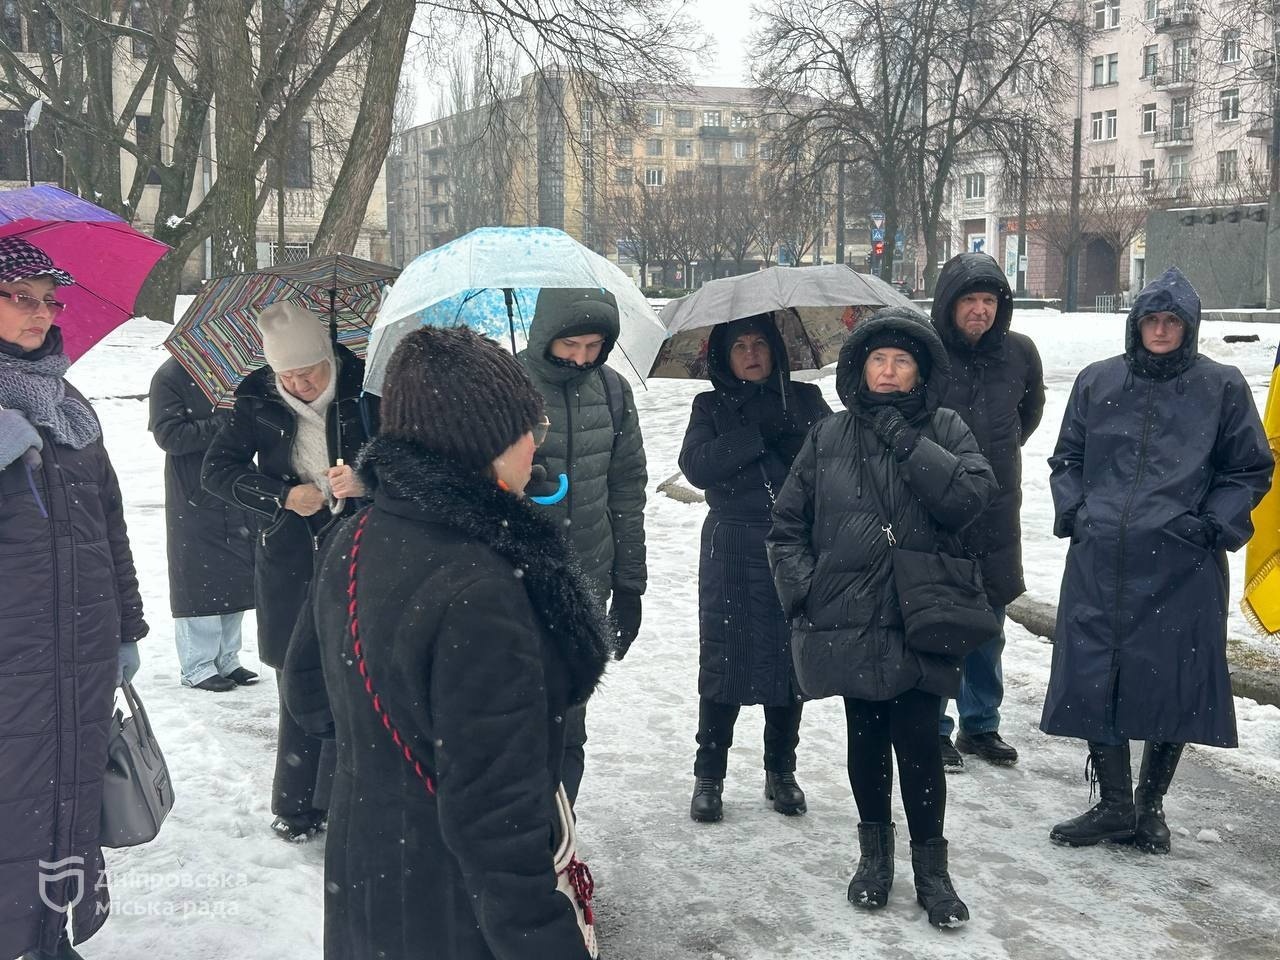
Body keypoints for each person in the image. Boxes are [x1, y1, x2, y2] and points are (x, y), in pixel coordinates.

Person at [285, 326, 610, 960]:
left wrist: (386, 759)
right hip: (451, 907)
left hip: (366, 870)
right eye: (529, 428)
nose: (537, 443)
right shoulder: (484, 586)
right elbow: (496, 818)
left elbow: (310, 699)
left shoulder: (354, 536)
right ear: (483, 442)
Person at [767, 308, 996, 928]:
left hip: (922, 611)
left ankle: (932, 873)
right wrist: (806, 592)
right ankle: (874, 860)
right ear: (860, 368)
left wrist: (907, 441)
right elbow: (786, 526)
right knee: (865, 738)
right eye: (878, 360)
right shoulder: (828, 435)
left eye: (902, 361)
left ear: (920, 371)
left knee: (920, 741)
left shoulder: (946, 427)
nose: (889, 371)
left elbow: (970, 499)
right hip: (849, 612)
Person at [1043, 266, 1271, 854]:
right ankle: (1115, 803)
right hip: (1102, 559)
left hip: (1182, 562)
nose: (1162, 329)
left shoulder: (1221, 386)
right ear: (1136, 323)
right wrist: (1078, 513)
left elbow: (1249, 468)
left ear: (1189, 326)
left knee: (1174, 678)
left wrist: (1210, 525)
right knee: (1096, 672)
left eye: (1173, 320)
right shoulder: (1098, 381)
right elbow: (1067, 458)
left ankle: (1150, 807)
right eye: (1152, 319)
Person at [0, 238, 148, 960]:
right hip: (13, 651)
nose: (41, 313)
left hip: (81, 650)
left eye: (49, 301)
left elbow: (109, 522)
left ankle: (49, 935)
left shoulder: (70, 405)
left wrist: (126, 627)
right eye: (21, 298)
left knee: (67, 795)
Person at [203, 301, 373, 842]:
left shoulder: (367, 389)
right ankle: (298, 805)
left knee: (357, 676)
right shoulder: (257, 395)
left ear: (328, 358)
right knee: (297, 677)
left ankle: (351, 800)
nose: (298, 385)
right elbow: (216, 470)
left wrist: (367, 481)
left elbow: (409, 456)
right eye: (288, 376)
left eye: (308, 373)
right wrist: (282, 496)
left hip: (362, 550)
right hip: (290, 554)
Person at [678, 314, 831, 822]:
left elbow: (835, 458)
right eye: (739, 345)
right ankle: (709, 774)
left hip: (793, 545)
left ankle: (781, 770)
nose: (750, 352)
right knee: (724, 658)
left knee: (789, 663)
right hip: (732, 544)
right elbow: (696, 466)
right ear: (724, 356)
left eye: (759, 343)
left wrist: (792, 433)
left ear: (776, 350)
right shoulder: (710, 405)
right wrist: (752, 435)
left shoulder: (805, 399)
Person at [518, 287, 647, 804]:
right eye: (570, 345)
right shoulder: (504, 384)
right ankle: (514, 831)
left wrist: (630, 586)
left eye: (594, 346)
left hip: (587, 579)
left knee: (570, 717)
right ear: (545, 335)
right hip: (513, 579)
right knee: (515, 715)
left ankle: (559, 828)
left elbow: (627, 488)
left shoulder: (613, 391)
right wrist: (515, 479)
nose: (580, 358)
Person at [928, 252, 1045, 771]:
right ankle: (933, 726)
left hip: (997, 507)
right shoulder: (928, 351)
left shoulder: (1019, 353)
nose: (980, 310)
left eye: (989, 300)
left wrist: (992, 459)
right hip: (938, 505)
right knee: (936, 619)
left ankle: (980, 724)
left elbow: (1028, 415)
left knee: (988, 620)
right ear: (949, 304)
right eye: (970, 300)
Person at [148, 356, 257, 692]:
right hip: (194, 490)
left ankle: (227, 658)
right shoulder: (170, 375)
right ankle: (198, 664)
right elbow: (169, 435)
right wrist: (223, 423)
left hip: (234, 484)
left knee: (237, 575)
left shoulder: (236, 371)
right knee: (199, 577)